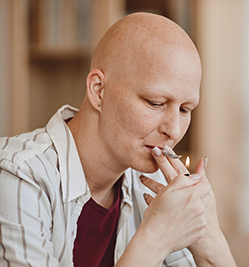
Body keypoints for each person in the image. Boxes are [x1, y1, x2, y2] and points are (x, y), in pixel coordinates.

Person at [0, 12, 236, 267]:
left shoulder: (154, 185)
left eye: (185, 110)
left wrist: (210, 237)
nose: (175, 131)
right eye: (155, 103)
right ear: (99, 91)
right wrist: (155, 239)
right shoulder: (17, 174)